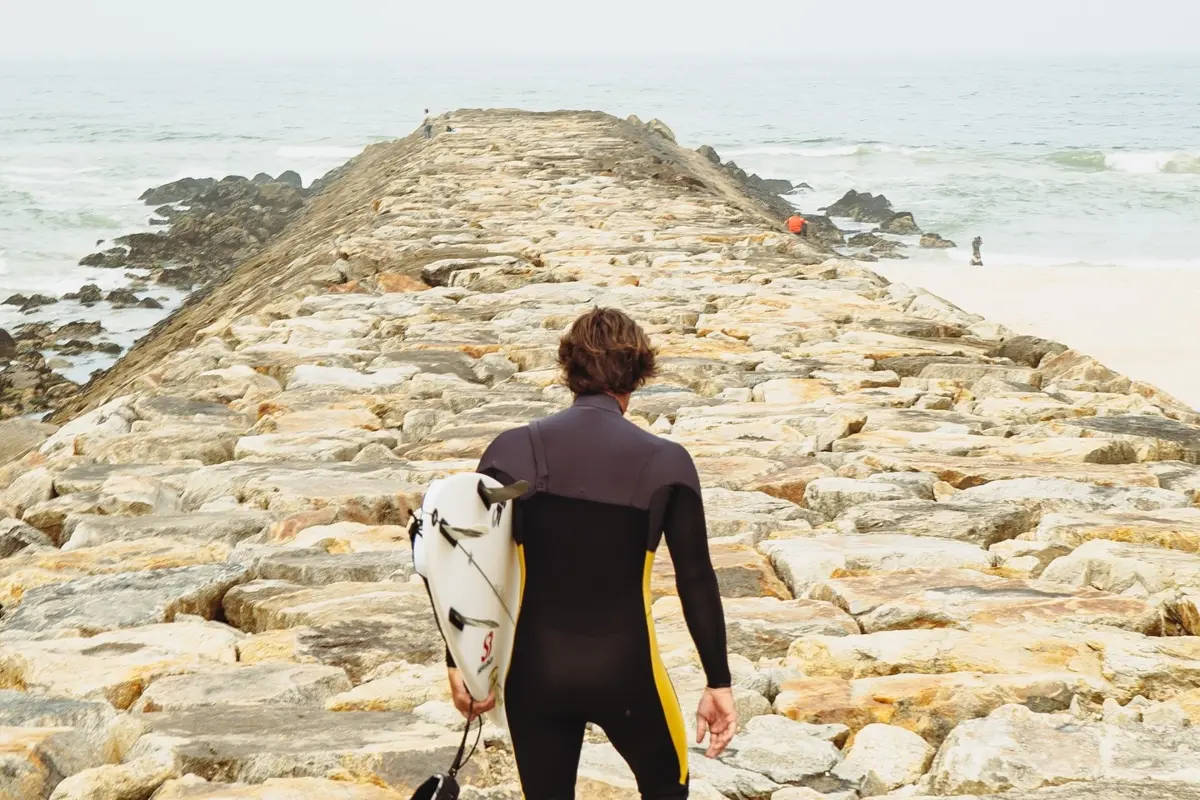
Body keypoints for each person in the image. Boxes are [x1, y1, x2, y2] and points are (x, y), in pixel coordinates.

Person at [445, 307, 737, 799]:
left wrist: (459, 663)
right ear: (641, 371)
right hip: (628, 674)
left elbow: (468, 562)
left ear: (569, 368)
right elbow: (696, 580)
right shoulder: (668, 462)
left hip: (535, 673)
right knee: (668, 790)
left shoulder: (510, 450)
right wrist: (718, 683)